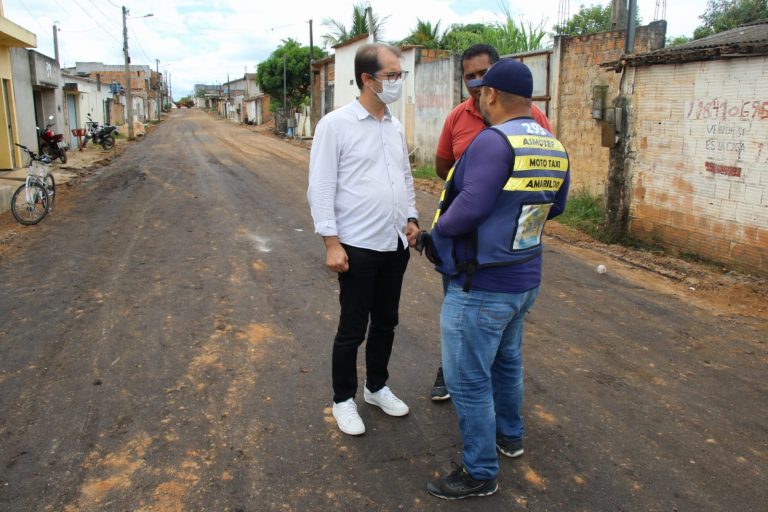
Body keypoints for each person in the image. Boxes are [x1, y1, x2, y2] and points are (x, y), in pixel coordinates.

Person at [424, 59, 570, 499]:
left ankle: (480, 471)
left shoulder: (492, 141)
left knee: (468, 379)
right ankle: (510, 437)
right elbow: (556, 206)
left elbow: (469, 206)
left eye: (480, 92)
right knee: (507, 363)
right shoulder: (552, 144)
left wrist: (438, 232)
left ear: (490, 96)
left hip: (481, 285)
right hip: (524, 278)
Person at [429, 44, 554, 401]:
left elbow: (547, 177)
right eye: (469, 76)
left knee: (495, 338)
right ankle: (449, 370)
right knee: (458, 318)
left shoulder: (534, 122)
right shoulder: (457, 117)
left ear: (496, 79)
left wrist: (451, 223)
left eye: (482, 74)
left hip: (503, 254)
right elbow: (443, 168)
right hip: (464, 250)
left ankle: (483, 426)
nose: (475, 82)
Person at [307, 43, 420, 436]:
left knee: (386, 321)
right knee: (352, 327)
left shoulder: (394, 125)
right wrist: (330, 242)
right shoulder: (336, 125)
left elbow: (404, 177)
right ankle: (343, 400)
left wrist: (411, 216)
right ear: (367, 79)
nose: (397, 82)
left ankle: (376, 387)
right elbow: (320, 187)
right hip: (356, 245)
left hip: (394, 243)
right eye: (391, 75)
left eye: (399, 74)